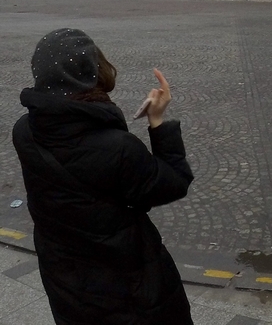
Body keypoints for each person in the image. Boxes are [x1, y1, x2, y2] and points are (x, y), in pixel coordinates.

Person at [12, 28, 194, 324]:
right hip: (126, 288)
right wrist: (158, 122)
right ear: (92, 72)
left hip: (64, 280)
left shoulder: (23, 131)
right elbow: (173, 182)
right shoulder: (117, 148)